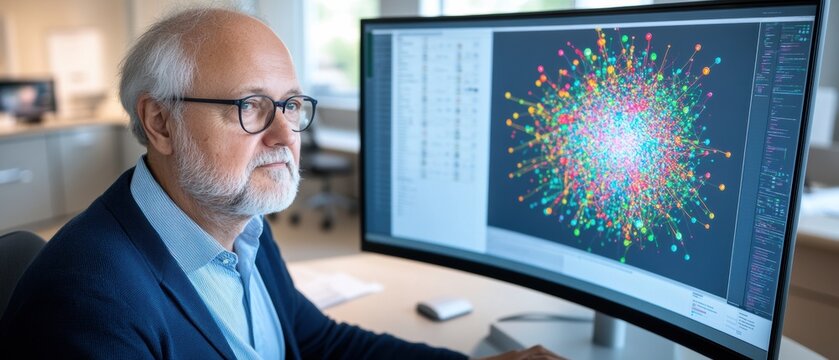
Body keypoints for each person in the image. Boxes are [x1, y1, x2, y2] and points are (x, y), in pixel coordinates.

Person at [0, 7, 562, 360]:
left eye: (290, 105)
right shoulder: (88, 304)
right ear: (160, 123)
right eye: (250, 105)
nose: (283, 135)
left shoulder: (239, 223)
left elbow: (316, 342)